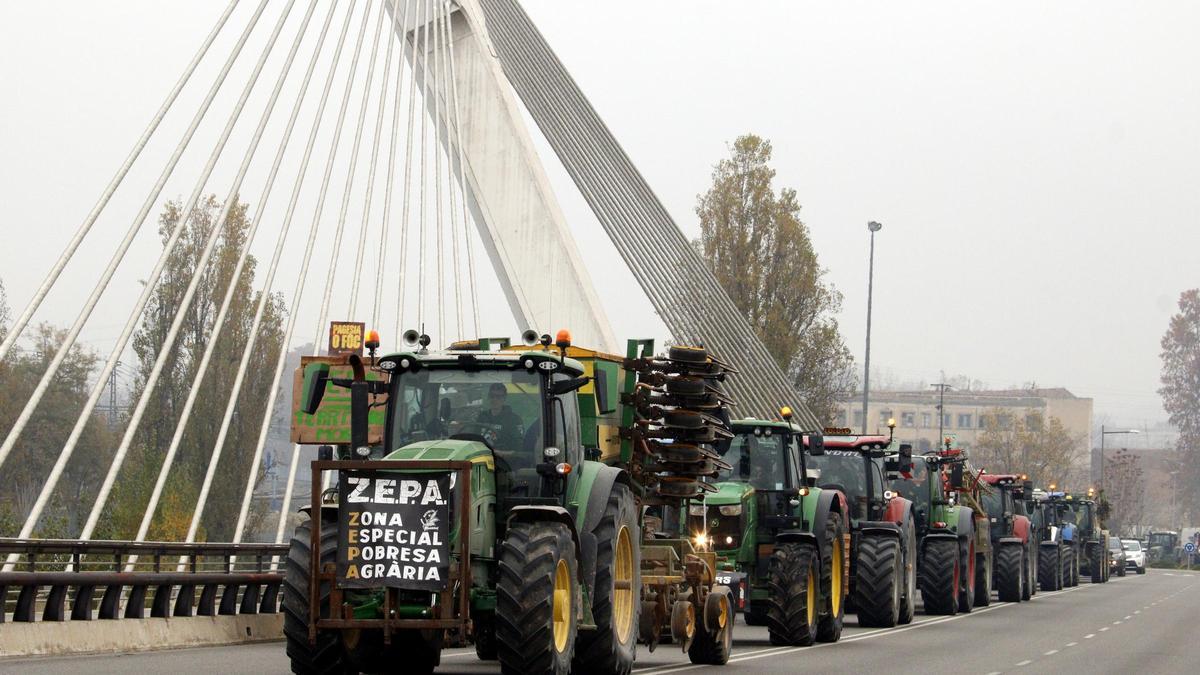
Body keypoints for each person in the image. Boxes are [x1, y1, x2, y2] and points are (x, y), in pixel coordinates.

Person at [477, 383, 524, 452]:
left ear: (504, 398)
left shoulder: (514, 420)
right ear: (488, 397)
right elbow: (474, 438)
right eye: (492, 396)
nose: (494, 399)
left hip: (504, 460)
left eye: (498, 397)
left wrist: (502, 452)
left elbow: (518, 447)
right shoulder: (482, 417)